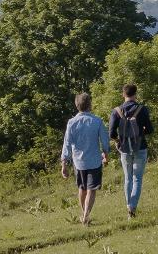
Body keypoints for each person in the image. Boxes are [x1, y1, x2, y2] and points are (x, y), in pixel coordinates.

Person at [61, 92, 110, 226]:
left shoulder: (71, 123)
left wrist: (64, 164)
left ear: (77, 106)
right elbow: (104, 141)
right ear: (90, 104)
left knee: (82, 189)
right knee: (91, 189)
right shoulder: (97, 121)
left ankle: (84, 214)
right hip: (94, 160)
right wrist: (106, 153)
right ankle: (86, 215)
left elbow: (67, 143)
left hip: (78, 162)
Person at [108, 83, 153, 219]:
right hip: (140, 147)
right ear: (135, 94)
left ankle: (129, 206)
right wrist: (141, 133)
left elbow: (111, 133)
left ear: (123, 94)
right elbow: (150, 130)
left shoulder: (116, 111)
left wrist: (118, 141)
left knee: (128, 178)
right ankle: (132, 208)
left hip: (125, 149)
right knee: (137, 179)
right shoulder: (142, 109)